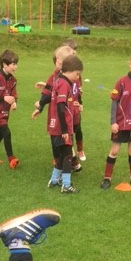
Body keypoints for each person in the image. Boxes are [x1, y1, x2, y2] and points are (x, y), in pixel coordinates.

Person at [100, 50, 131, 190]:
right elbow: (114, 102)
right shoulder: (121, 82)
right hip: (120, 125)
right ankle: (107, 178)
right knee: (114, 151)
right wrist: (113, 122)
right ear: (129, 64)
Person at [46, 54, 83, 194]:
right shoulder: (64, 84)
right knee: (67, 155)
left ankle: (54, 180)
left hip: (56, 126)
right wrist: (64, 130)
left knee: (62, 155)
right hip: (62, 127)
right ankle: (66, 185)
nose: (78, 77)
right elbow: (61, 106)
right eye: (77, 74)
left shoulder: (58, 81)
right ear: (71, 70)